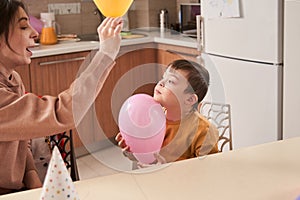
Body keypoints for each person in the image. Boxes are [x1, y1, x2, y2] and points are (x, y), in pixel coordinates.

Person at [0, 0, 123, 195]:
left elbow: (21, 137)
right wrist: (106, 53)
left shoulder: (12, 78)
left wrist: (31, 175)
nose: (35, 32)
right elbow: (61, 112)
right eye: (23, 26)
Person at [116, 59, 219, 165]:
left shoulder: (204, 131)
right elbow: (148, 157)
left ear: (189, 99)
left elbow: (209, 169)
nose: (161, 83)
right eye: (163, 77)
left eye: (171, 81)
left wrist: (167, 167)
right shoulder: (151, 118)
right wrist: (132, 151)